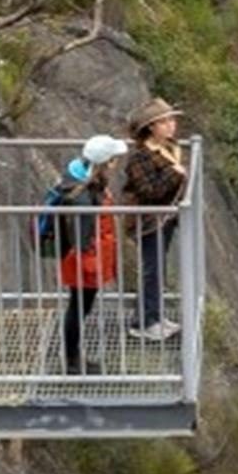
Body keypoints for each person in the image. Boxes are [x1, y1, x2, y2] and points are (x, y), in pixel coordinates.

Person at [56, 134, 127, 374]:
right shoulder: (83, 195)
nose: (116, 164)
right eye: (113, 159)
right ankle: (72, 362)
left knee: (80, 306)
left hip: (87, 256)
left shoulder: (81, 181)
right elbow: (82, 234)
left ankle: (74, 356)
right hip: (85, 259)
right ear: (105, 163)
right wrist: (91, 263)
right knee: (78, 307)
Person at [121, 97, 188, 340]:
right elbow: (150, 191)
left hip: (164, 218)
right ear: (151, 127)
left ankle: (155, 316)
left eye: (172, 120)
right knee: (152, 270)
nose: (171, 125)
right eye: (165, 122)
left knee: (158, 269)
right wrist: (174, 174)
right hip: (148, 221)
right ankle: (142, 323)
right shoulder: (140, 157)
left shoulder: (168, 148)